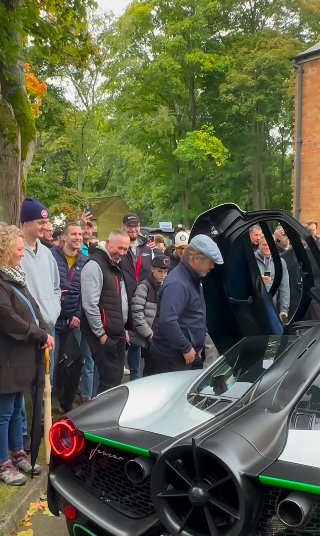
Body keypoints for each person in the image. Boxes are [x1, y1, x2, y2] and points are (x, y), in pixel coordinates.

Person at [0, 226, 54, 485]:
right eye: (19, 249)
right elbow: (10, 320)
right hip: (6, 359)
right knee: (4, 412)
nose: (23, 254)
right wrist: (40, 335)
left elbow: (33, 309)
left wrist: (44, 330)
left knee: (15, 410)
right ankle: (3, 463)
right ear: (5, 251)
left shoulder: (15, 277)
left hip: (20, 359)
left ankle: (17, 452)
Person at [149, 234, 224, 374]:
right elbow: (167, 320)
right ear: (195, 259)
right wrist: (185, 347)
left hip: (186, 354)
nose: (212, 266)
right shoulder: (178, 283)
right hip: (174, 357)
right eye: (210, 262)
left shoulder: (191, 278)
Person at [81, 230, 130, 393]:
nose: (122, 253)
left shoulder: (115, 264)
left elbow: (120, 297)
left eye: (125, 249)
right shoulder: (94, 265)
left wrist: (124, 328)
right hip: (104, 334)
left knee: (115, 379)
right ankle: (101, 416)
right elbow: (90, 304)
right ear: (108, 243)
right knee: (109, 382)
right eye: (120, 248)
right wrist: (101, 334)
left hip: (117, 332)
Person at [20, 198, 61, 384]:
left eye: (46, 222)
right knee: (23, 381)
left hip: (48, 325)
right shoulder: (15, 251)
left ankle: (43, 414)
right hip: (26, 327)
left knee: (47, 379)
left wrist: (54, 309)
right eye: (41, 222)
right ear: (26, 222)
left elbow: (55, 286)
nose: (45, 226)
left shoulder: (47, 253)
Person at [51, 223, 87, 408]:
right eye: (74, 234)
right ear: (64, 237)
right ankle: (46, 407)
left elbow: (85, 292)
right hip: (53, 320)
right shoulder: (51, 257)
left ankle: (67, 403)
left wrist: (78, 314)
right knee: (51, 364)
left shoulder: (84, 261)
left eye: (80, 234)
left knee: (74, 363)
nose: (78, 237)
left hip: (73, 321)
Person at [121, 213, 153, 380]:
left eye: (136, 225)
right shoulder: (120, 249)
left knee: (137, 346)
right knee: (119, 348)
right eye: (129, 226)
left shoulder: (148, 250)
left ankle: (136, 386)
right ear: (123, 227)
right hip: (122, 305)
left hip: (142, 305)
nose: (133, 229)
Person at [130, 255, 170, 376]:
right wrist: (148, 334)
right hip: (150, 337)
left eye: (165, 271)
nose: (162, 274)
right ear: (152, 269)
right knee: (150, 370)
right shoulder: (144, 286)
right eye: (159, 271)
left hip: (162, 337)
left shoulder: (167, 286)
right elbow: (137, 313)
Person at [255, 235, 290, 322]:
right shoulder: (252, 260)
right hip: (255, 305)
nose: (267, 247)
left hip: (272, 306)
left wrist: (284, 309)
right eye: (264, 244)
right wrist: (257, 279)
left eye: (269, 244)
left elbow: (284, 286)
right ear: (259, 245)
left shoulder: (280, 262)